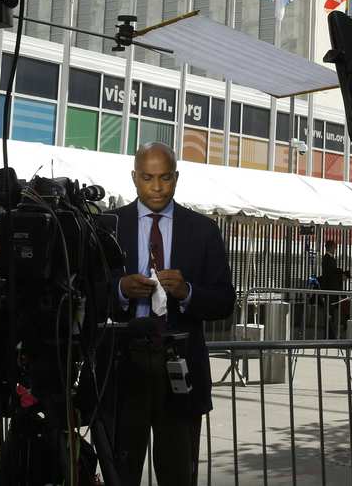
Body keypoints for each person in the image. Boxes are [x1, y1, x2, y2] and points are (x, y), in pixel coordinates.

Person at [110, 142, 235, 485]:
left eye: (164, 178)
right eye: (148, 177)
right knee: (120, 473)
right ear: (134, 177)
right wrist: (120, 289)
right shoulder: (109, 225)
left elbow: (225, 301)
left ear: (176, 177)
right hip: (123, 371)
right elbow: (84, 292)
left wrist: (188, 292)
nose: (157, 187)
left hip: (180, 372)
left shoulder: (203, 230)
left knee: (178, 475)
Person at [318, 237, 351, 338]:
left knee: (333, 312)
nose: (335, 249)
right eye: (334, 247)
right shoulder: (327, 259)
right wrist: (340, 273)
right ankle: (329, 334)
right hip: (330, 289)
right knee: (330, 312)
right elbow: (330, 274)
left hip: (333, 289)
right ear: (331, 247)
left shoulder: (330, 259)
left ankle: (332, 332)